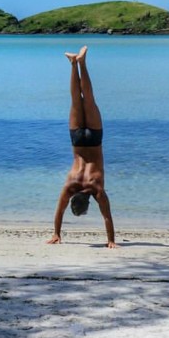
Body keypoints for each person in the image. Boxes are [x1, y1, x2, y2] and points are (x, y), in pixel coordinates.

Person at [48, 46, 117, 248]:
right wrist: (56, 233)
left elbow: (107, 216)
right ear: (73, 199)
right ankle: (73, 63)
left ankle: (82, 62)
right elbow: (59, 211)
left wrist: (111, 240)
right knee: (77, 99)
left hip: (94, 139)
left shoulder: (96, 188)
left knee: (88, 98)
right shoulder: (70, 185)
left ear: (88, 203)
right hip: (77, 140)